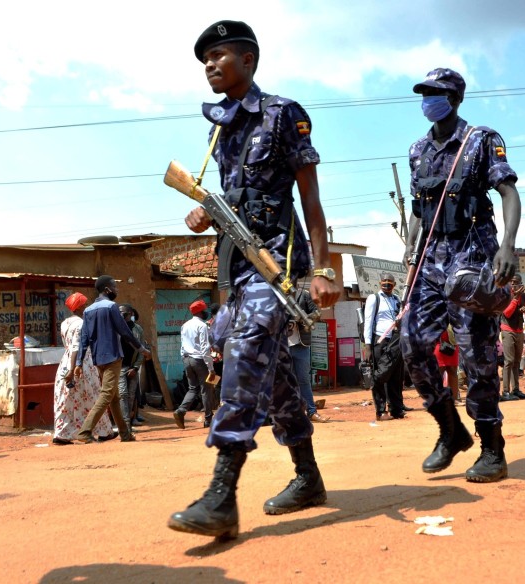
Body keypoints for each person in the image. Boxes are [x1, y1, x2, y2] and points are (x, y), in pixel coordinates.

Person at [168, 21, 340, 540]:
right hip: (238, 262)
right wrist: (202, 218)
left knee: (244, 353)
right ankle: (308, 478)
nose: (209, 65)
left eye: (219, 55)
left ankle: (222, 494)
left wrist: (324, 267)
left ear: (249, 61)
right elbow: (225, 201)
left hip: (280, 260)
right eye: (205, 59)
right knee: (280, 376)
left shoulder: (283, 113)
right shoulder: (219, 127)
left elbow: (309, 197)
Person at [401, 68, 521, 483]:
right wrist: (411, 247)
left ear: (454, 97)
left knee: (477, 356)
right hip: (431, 260)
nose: (428, 100)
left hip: (472, 258)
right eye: (424, 93)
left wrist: (508, 246)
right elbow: (419, 211)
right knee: (412, 346)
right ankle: (450, 430)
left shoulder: (481, 140)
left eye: (435, 93)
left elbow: (508, 192)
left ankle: (492, 447)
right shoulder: (418, 150)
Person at [74, 276, 151, 444]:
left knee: (114, 398)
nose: (116, 290)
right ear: (107, 289)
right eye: (114, 287)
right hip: (113, 357)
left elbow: (84, 339)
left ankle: (125, 434)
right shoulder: (111, 307)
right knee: (107, 394)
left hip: (98, 358)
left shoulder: (88, 311)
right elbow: (125, 332)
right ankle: (85, 431)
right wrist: (142, 349)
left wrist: (79, 362)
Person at [52, 293, 114, 445]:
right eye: (85, 305)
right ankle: (103, 432)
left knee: (66, 400)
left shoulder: (65, 323)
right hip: (81, 364)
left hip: (65, 363)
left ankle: (62, 434)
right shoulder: (81, 324)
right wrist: (74, 369)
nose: (87, 307)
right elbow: (76, 347)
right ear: (80, 307)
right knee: (92, 397)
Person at [363, 273, 406, 420]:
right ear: (380, 282)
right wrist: (368, 345)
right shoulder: (374, 298)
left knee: (396, 375)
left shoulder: (396, 300)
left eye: (390, 282)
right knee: (380, 375)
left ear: (394, 284)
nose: (387, 283)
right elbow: (368, 322)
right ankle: (380, 411)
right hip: (379, 341)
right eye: (384, 281)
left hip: (395, 340)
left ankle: (396, 409)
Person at [289, 287, 329, 423]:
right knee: (286, 382)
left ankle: (311, 412)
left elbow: (317, 313)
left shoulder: (304, 294)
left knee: (304, 380)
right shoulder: (276, 293)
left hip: (301, 344)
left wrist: (304, 318)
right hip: (282, 345)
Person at [174, 300, 215, 429]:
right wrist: (211, 367)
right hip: (199, 360)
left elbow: (182, 345)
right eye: (204, 310)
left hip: (187, 359)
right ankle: (208, 420)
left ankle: (181, 411)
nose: (206, 313)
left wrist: (184, 358)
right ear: (200, 312)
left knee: (193, 388)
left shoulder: (185, 325)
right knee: (206, 389)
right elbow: (204, 347)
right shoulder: (202, 326)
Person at [499, 275, 525, 401]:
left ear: (520, 284)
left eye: (516, 282)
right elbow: (506, 313)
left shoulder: (524, 296)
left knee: (517, 362)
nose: (513, 285)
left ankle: (516, 389)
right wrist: (515, 298)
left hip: (519, 330)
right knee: (508, 361)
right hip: (507, 329)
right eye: (511, 282)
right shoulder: (506, 294)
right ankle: (506, 391)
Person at [117, 304, 144, 429]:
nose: (121, 314)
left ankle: (128, 422)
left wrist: (136, 367)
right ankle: (125, 424)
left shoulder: (138, 329)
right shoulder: (115, 328)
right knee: (122, 394)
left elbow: (142, 350)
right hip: (118, 367)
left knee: (131, 395)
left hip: (132, 367)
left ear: (130, 314)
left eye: (124, 313)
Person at [433, 326, 461, 403]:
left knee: (453, 371)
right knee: (439, 372)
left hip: (452, 343)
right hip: (439, 343)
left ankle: (454, 399)